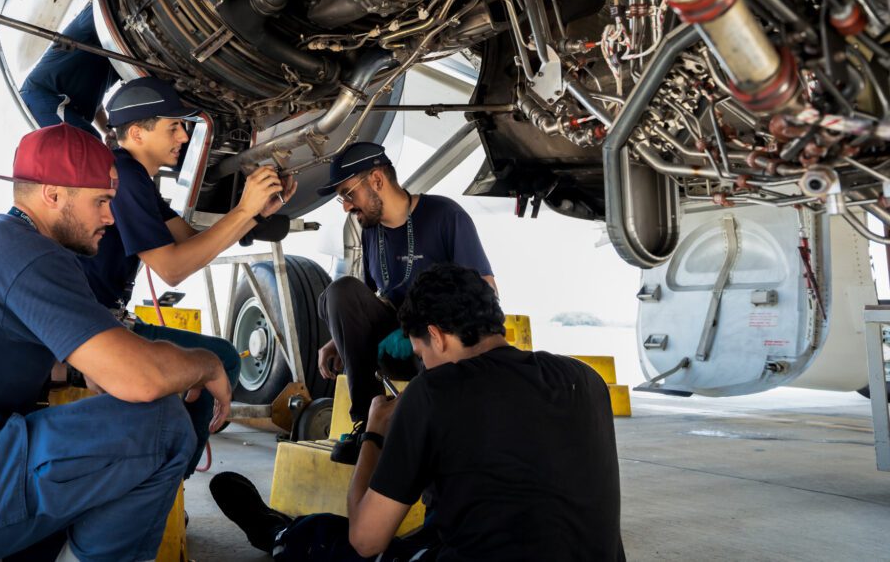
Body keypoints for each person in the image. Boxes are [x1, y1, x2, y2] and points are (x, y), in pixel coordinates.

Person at [0, 124, 233, 562]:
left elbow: (5, 359)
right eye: (101, 202)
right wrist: (208, 363)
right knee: (160, 424)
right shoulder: (33, 256)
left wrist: (83, 368)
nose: (111, 218)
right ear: (53, 196)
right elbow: (142, 380)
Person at [210, 263, 625, 561]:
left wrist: (374, 432)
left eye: (421, 353)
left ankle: (277, 532)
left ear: (436, 336)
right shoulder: (584, 379)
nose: (422, 365)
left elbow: (367, 540)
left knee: (330, 539)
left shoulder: (435, 391)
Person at [80, 76, 293, 476]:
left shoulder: (134, 177)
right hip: (91, 327)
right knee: (223, 357)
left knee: (213, 357)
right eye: (173, 126)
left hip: (102, 319)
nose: (183, 135)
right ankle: (169, 481)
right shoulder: (122, 176)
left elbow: (193, 242)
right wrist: (243, 211)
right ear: (138, 133)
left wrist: (255, 215)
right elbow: (173, 268)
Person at [315, 142, 494, 448]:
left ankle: (432, 430)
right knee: (340, 290)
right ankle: (369, 424)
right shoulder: (371, 232)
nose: (345, 206)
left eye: (347, 194)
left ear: (376, 180)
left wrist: (424, 327)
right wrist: (337, 339)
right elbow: (366, 300)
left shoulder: (445, 215)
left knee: (437, 321)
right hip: (395, 348)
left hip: (444, 345)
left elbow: (486, 291)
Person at [19, 2, 119, 138]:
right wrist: (108, 130)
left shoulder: (91, 25)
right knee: (91, 142)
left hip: (39, 96)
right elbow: (96, 106)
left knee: (90, 142)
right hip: (41, 99)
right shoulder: (89, 91)